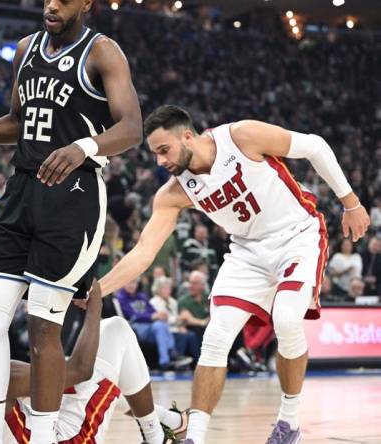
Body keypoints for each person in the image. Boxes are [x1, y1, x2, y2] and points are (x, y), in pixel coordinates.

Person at [98, 105, 370, 443]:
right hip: (247, 251)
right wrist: (98, 289)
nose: (160, 161)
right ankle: (193, 435)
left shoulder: (240, 137)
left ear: (187, 136)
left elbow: (314, 145)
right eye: (154, 154)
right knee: (215, 338)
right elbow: (143, 253)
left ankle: (289, 423)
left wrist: (351, 202)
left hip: (297, 235)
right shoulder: (174, 192)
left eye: (164, 150)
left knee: (286, 320)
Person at [0, 0, 142, 441]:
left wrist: (85, 147)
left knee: (44, 325)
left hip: (73, 198)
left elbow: (132, 127)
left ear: (86, 4)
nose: (51, 5)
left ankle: (43, 437)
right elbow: (18, 123)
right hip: (21, 190)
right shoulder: (25, 48)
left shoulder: (102, 52)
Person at [0, 284, 188, 444]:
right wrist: (95, 306)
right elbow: (80, 370)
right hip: (66, 438)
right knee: (115, 329)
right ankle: (156, 434)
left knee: (68, 383)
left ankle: (167, 421)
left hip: (36, 426)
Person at [116, 279, 192, 370]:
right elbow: (132, 315)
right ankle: (168, 357)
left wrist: (159, 315)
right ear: (123, 284)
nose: (131, 285)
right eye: (128, 282)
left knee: (161, 324)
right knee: (159, 326)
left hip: (150, 327)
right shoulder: (121, 297)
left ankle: (168, 357)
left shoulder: (142, 296)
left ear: (137, 284)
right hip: (135, 326)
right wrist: (152, 316)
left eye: (133, 282)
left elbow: (153, 311)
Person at [149, 276, 200, 364]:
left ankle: (197, 362)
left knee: (191, 335)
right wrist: (179, 319)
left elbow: (176, 317)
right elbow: (163, 319)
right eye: (165, 288)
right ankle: (175, 361)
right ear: (158, 289)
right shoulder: (153, 302)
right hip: (164, 329)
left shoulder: (173, 302)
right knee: (181, 336)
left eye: (169, 287)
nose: (168, 290)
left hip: (175, 327)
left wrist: (181, 325)